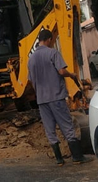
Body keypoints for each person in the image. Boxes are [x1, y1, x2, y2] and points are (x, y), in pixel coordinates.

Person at [27, 28, 89, 166]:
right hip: (56, 97)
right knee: (67, 126)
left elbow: (31, 80)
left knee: (50, 129)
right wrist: (71, 75)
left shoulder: (31, 59)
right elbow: (61, 71)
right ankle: (77, 157)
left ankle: (59, 159)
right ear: (49, 39)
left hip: (41, 100)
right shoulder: (52, 53)